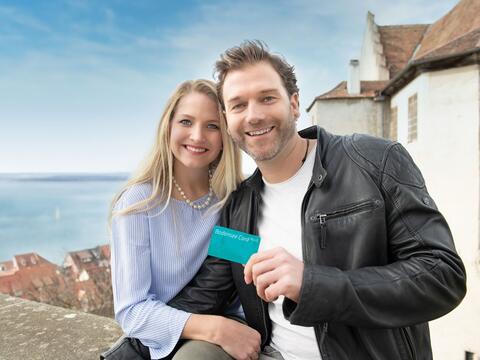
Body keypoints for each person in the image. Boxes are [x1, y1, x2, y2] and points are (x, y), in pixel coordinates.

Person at [168, 41, 467, 359]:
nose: (254, 115)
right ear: (227, 120)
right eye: (239, 105)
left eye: (267, 98)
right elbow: (206, 294)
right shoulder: (239, 208)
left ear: (294, 104)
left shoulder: (375, 161)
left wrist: (311, 283)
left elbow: (443, 275)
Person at [105, 79, 261, 360]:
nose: (198, 136)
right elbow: (133, 312)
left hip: (225, 336)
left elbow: (228, 287)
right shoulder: (138, 204)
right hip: (174, 337)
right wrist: (216, 329)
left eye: (212, 126)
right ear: (169, 126)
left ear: (226, 135)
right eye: (186, 122)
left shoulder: (234, 201)